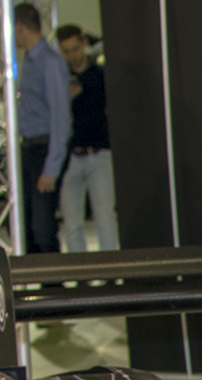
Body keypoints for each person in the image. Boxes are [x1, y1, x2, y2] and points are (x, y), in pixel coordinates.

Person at [12, 3, 70, 255]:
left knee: (44, 228)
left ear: (20, 28)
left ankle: (53, 288)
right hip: (30, 148)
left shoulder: (49, 63)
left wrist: (51, 167)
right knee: (30, 229)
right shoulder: (30, 61)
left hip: (43, 149)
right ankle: (41, 288)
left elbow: (61, 118)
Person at [55, 25, 116, 252]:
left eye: (76, 49)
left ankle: (111, 275)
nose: (73, 55)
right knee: (72, 224)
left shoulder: (99, 73)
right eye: (67, 51)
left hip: (99, 153)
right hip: (71, 156)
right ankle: (81, 277)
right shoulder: (61, 76)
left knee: (105, 219)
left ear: (83, 45)